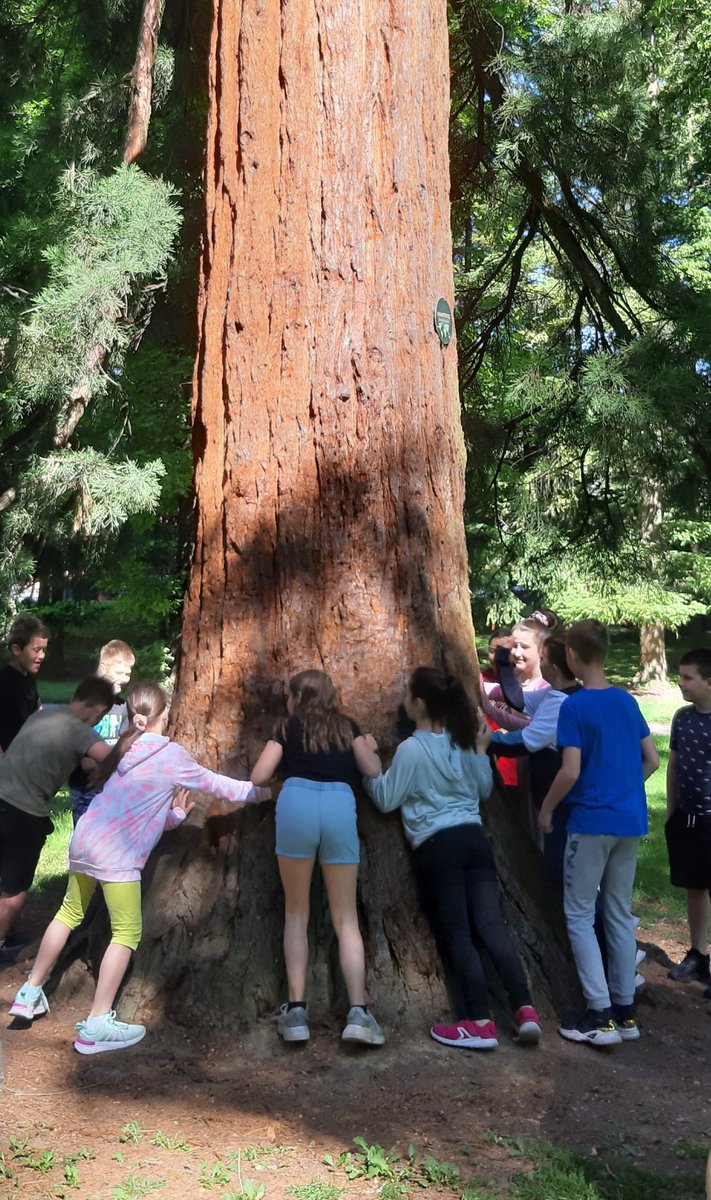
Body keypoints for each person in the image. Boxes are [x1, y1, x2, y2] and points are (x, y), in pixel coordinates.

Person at [10, 681, 268, 1054]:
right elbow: (218, 785)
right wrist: (263, 791)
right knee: (127, 932)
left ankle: (29, 991)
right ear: (165, 715)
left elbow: (135, 808)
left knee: (68, 913)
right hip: (117, 854)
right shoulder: (172, 756)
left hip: (85, 841)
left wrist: (174, 815)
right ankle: (97, 1022)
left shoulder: (123, 749)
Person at [364, 666, 541, 1051]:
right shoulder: (463, 741)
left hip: (437, 847)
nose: (404, 700)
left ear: (421, 704)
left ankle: (478, 1021)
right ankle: (524, 1009)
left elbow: (385, 799)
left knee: (457, 933)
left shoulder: (411, 750)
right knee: (491, 927)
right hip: (474, 840)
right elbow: (482, 789)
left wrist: (369, 771)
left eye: (409, 693)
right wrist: (480, 752)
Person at [538, 620, 659, 1047]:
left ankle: (598, 1013)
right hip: (629, 821)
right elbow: (652, 761)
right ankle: (626, 1012)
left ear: (571, 654)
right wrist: (623, 789)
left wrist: (548, 808)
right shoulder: (626, 702)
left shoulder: (575, 707)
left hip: (589, 823)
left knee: (579, 915)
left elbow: (569, 771)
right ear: (604, 653)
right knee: (619, 914)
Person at [250, 669, 384, 1047]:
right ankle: (358, 1012)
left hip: (296, 803)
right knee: (346, 919)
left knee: (296, 911)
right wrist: (369, 746)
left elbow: (260, 776)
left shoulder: (287, 727)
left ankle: (295, 1012)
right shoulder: (347, 725)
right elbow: (372, 769)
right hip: (341, 804)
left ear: (296, 697)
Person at [0, 675, 116, 955]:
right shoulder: (79, 730)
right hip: (24, 814)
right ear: (99, 710)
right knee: (13, 890)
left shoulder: (41, 718)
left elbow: (71, 757)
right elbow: (111, 759)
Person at [665, 648, 711, 991]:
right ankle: (698, 954)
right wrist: (672, 810)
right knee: (695, 887)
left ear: (709, 682)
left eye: (687, 678)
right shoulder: (683, 718)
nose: (680, 684)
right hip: (688, 817)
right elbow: (674, 764)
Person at [68, 639, 136, 824]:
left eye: (128, 674)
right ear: (104, 667)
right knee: (85, 827)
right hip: (85, 781)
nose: (124, 679)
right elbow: (71, 730)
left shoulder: (122, 705)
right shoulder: (85, 699)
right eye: (119, 672)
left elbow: (124, 740)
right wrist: (84, 758)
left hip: (111, 781)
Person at [0, 615, 49, 755]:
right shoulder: (4, 681)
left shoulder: (29, 680)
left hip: (26, 758)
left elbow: (38, 712)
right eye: (36, 650)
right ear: (16, 649)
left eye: (44, 650)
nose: (42, 656)